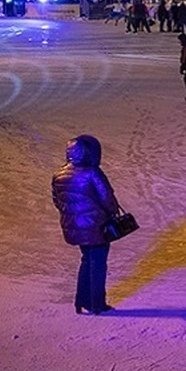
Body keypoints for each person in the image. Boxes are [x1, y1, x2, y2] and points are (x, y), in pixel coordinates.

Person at [51, 135, 120, 315]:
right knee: (97, 263)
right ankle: (97, 304)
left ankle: (81, 301)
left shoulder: (58, 175)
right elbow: (107, 199)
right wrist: (111, 213)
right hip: (96, 226)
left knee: (87, 260)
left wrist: (73, 216)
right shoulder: (92, 173)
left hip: (74, 226)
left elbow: (57, 201)